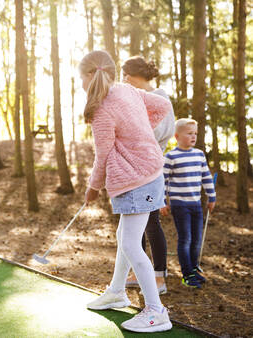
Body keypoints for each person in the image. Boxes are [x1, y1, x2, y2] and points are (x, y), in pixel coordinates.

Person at [82, 50, 173, 333]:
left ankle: (156, 311)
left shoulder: (100, 108)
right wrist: (142, 131)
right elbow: (161, 105)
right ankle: (117, 291)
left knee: (132, 243)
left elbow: (103, 153)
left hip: (137, 179)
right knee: (125, 236)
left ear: (88, 76)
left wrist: (93, 187)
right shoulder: (126, 89)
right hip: (149, 173)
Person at [121, 56, 176, 295]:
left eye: (126, 74)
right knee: (135, 225)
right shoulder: (134, 99)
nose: (123, 79)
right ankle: (136, 272)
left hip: (150, 171)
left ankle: (159, 279)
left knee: (152, 223)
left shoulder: (161, 98)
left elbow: (158, 132)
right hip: (133, 170)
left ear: (137, 75)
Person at [161, 118, 216, 289]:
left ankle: (194, 268)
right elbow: (163, 181)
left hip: (196, 204)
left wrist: (211, 196)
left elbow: (206, 177)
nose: (193, 137)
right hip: (179, 204)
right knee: (185, 238)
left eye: (195, 134)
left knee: (196, 239)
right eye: (189, 133)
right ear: (177, 136)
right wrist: (162, 201)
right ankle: (187, 274)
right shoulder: (171, 157)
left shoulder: (199, 154)